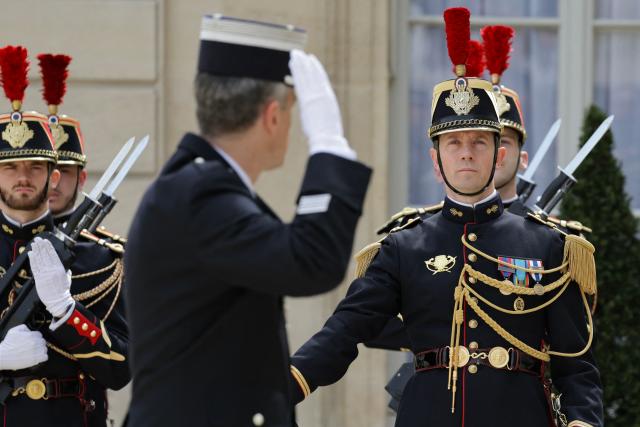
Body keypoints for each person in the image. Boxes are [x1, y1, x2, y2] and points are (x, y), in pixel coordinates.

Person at [288, 8, 602, 427]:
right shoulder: (404, 246)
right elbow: (345, 330)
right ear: (436, 160)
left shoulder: (548, 246)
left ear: (500, 154)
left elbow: (576, 367)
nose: (467, 152)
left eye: (478, 141)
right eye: (453, 143)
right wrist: (280, 385)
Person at [124, 15, 372, 427]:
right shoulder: (202, 197)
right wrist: (329, 146)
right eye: (292, 112)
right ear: (273, 116)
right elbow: (311, 260)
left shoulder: (200, 187)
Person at [0, 45, 128, 426]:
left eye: (36, 166)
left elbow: (122, 369)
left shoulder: (99, 259)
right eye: (10, 167)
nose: (23, 177)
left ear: (54, 178)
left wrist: (67, 312)